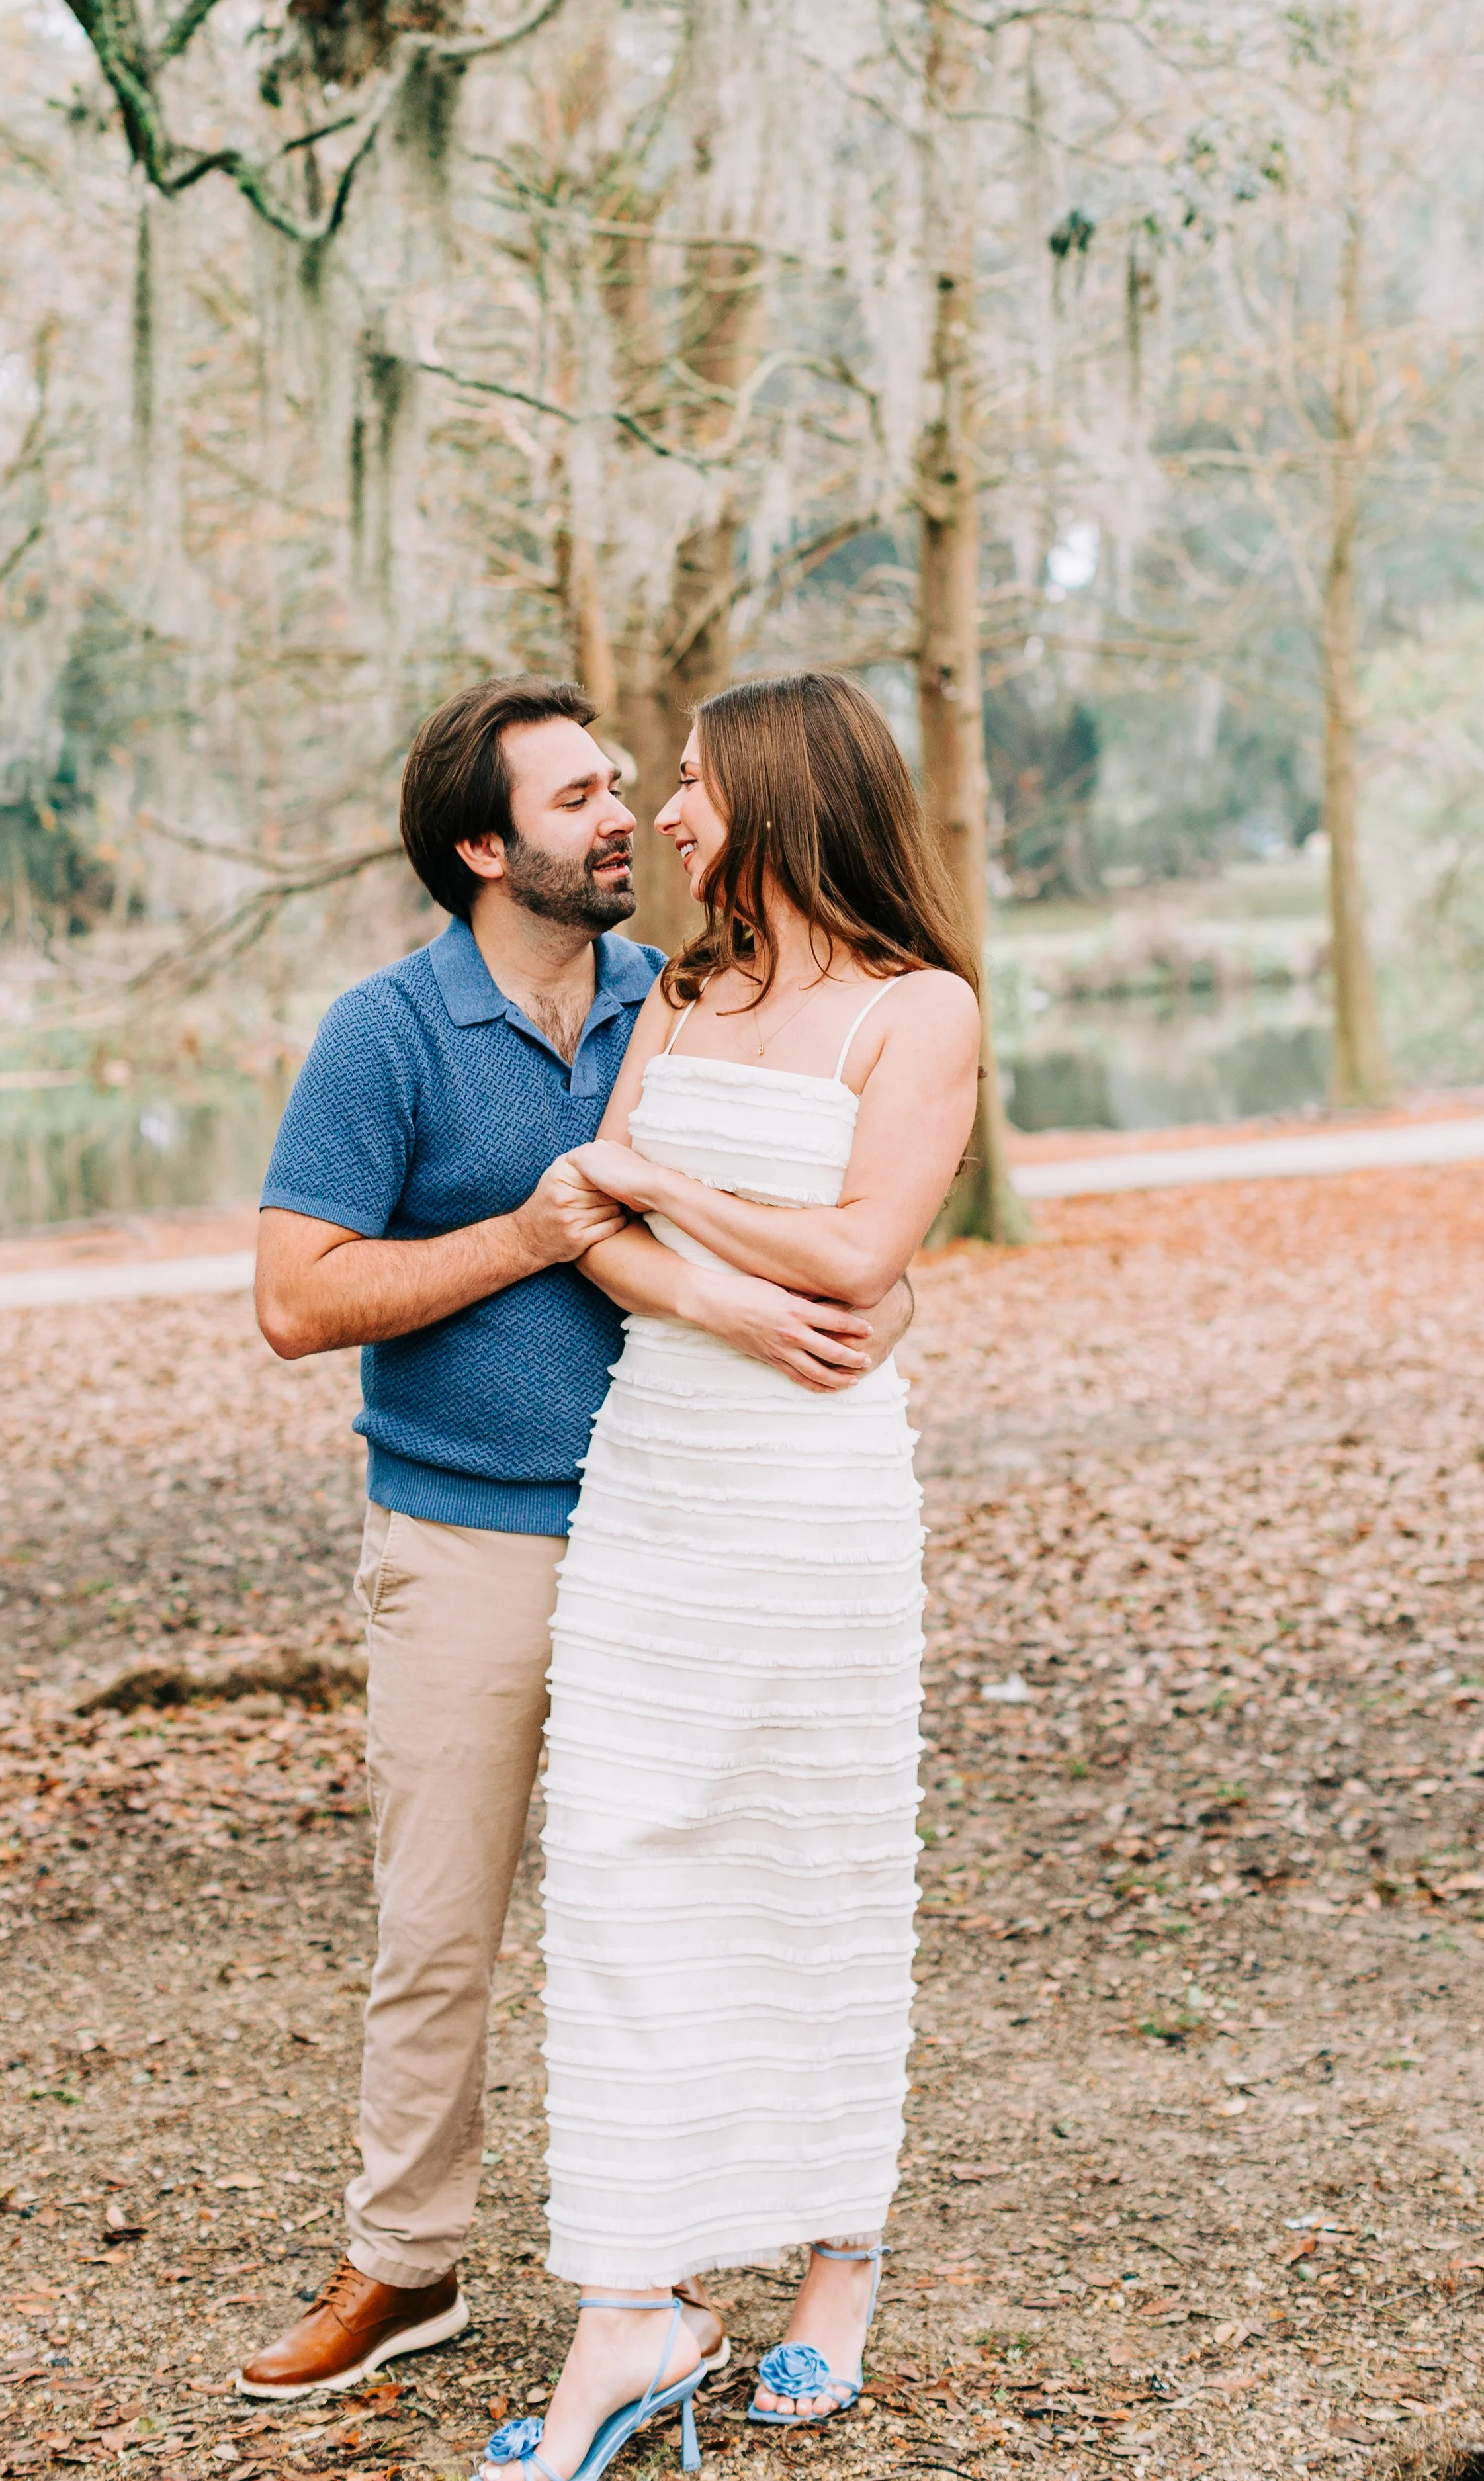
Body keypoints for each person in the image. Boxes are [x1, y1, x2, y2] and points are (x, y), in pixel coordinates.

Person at [234, 675, 914, 2399]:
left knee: (682, 1896)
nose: (620, 815)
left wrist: (871, 1300)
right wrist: (525, 1233)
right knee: (442, 1919)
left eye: (628, 786)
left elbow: (840, 1212)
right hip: (471, 1530)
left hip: (687, 1526)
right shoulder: (382, 1035)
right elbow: (298, 1301)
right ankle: (403, 2263)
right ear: (481, 846)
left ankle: (679, 2259)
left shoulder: (685, 994)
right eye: (573, 798)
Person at [478, 672, 981, 2481]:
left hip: (814, 1489)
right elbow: (597, 1226)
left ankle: (837, 2250)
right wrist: (709, 1282)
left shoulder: (920, 1012)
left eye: (687, 785)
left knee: (813, 1847)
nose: (665, 816)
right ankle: (637, 2292)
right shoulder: (676, 996)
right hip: (660, 1471)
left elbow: (865, 1248)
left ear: (776, 793)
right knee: (618, 1857)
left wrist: (654, 1189)